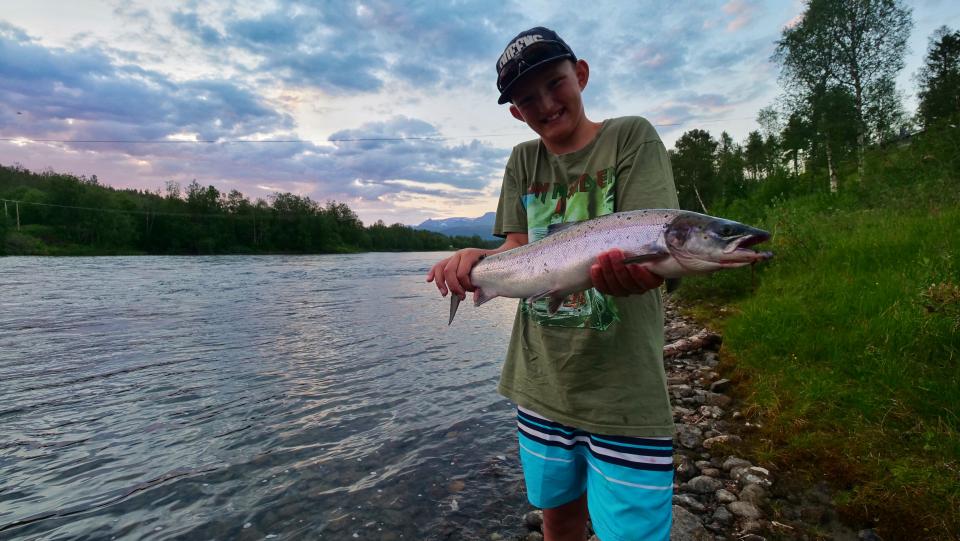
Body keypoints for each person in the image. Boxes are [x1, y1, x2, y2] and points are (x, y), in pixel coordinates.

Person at [426, 27, 679, 541]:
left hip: (625, 392)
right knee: (558, 518)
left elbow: (656, 250)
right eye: (527, 98)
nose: (545, 103)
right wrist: (476, 260)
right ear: (516, 112)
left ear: (581, 75)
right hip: (540, 382)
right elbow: (517, 250)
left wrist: (642, 276)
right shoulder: (523, 160)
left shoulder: (631, 136)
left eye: (555, 83)